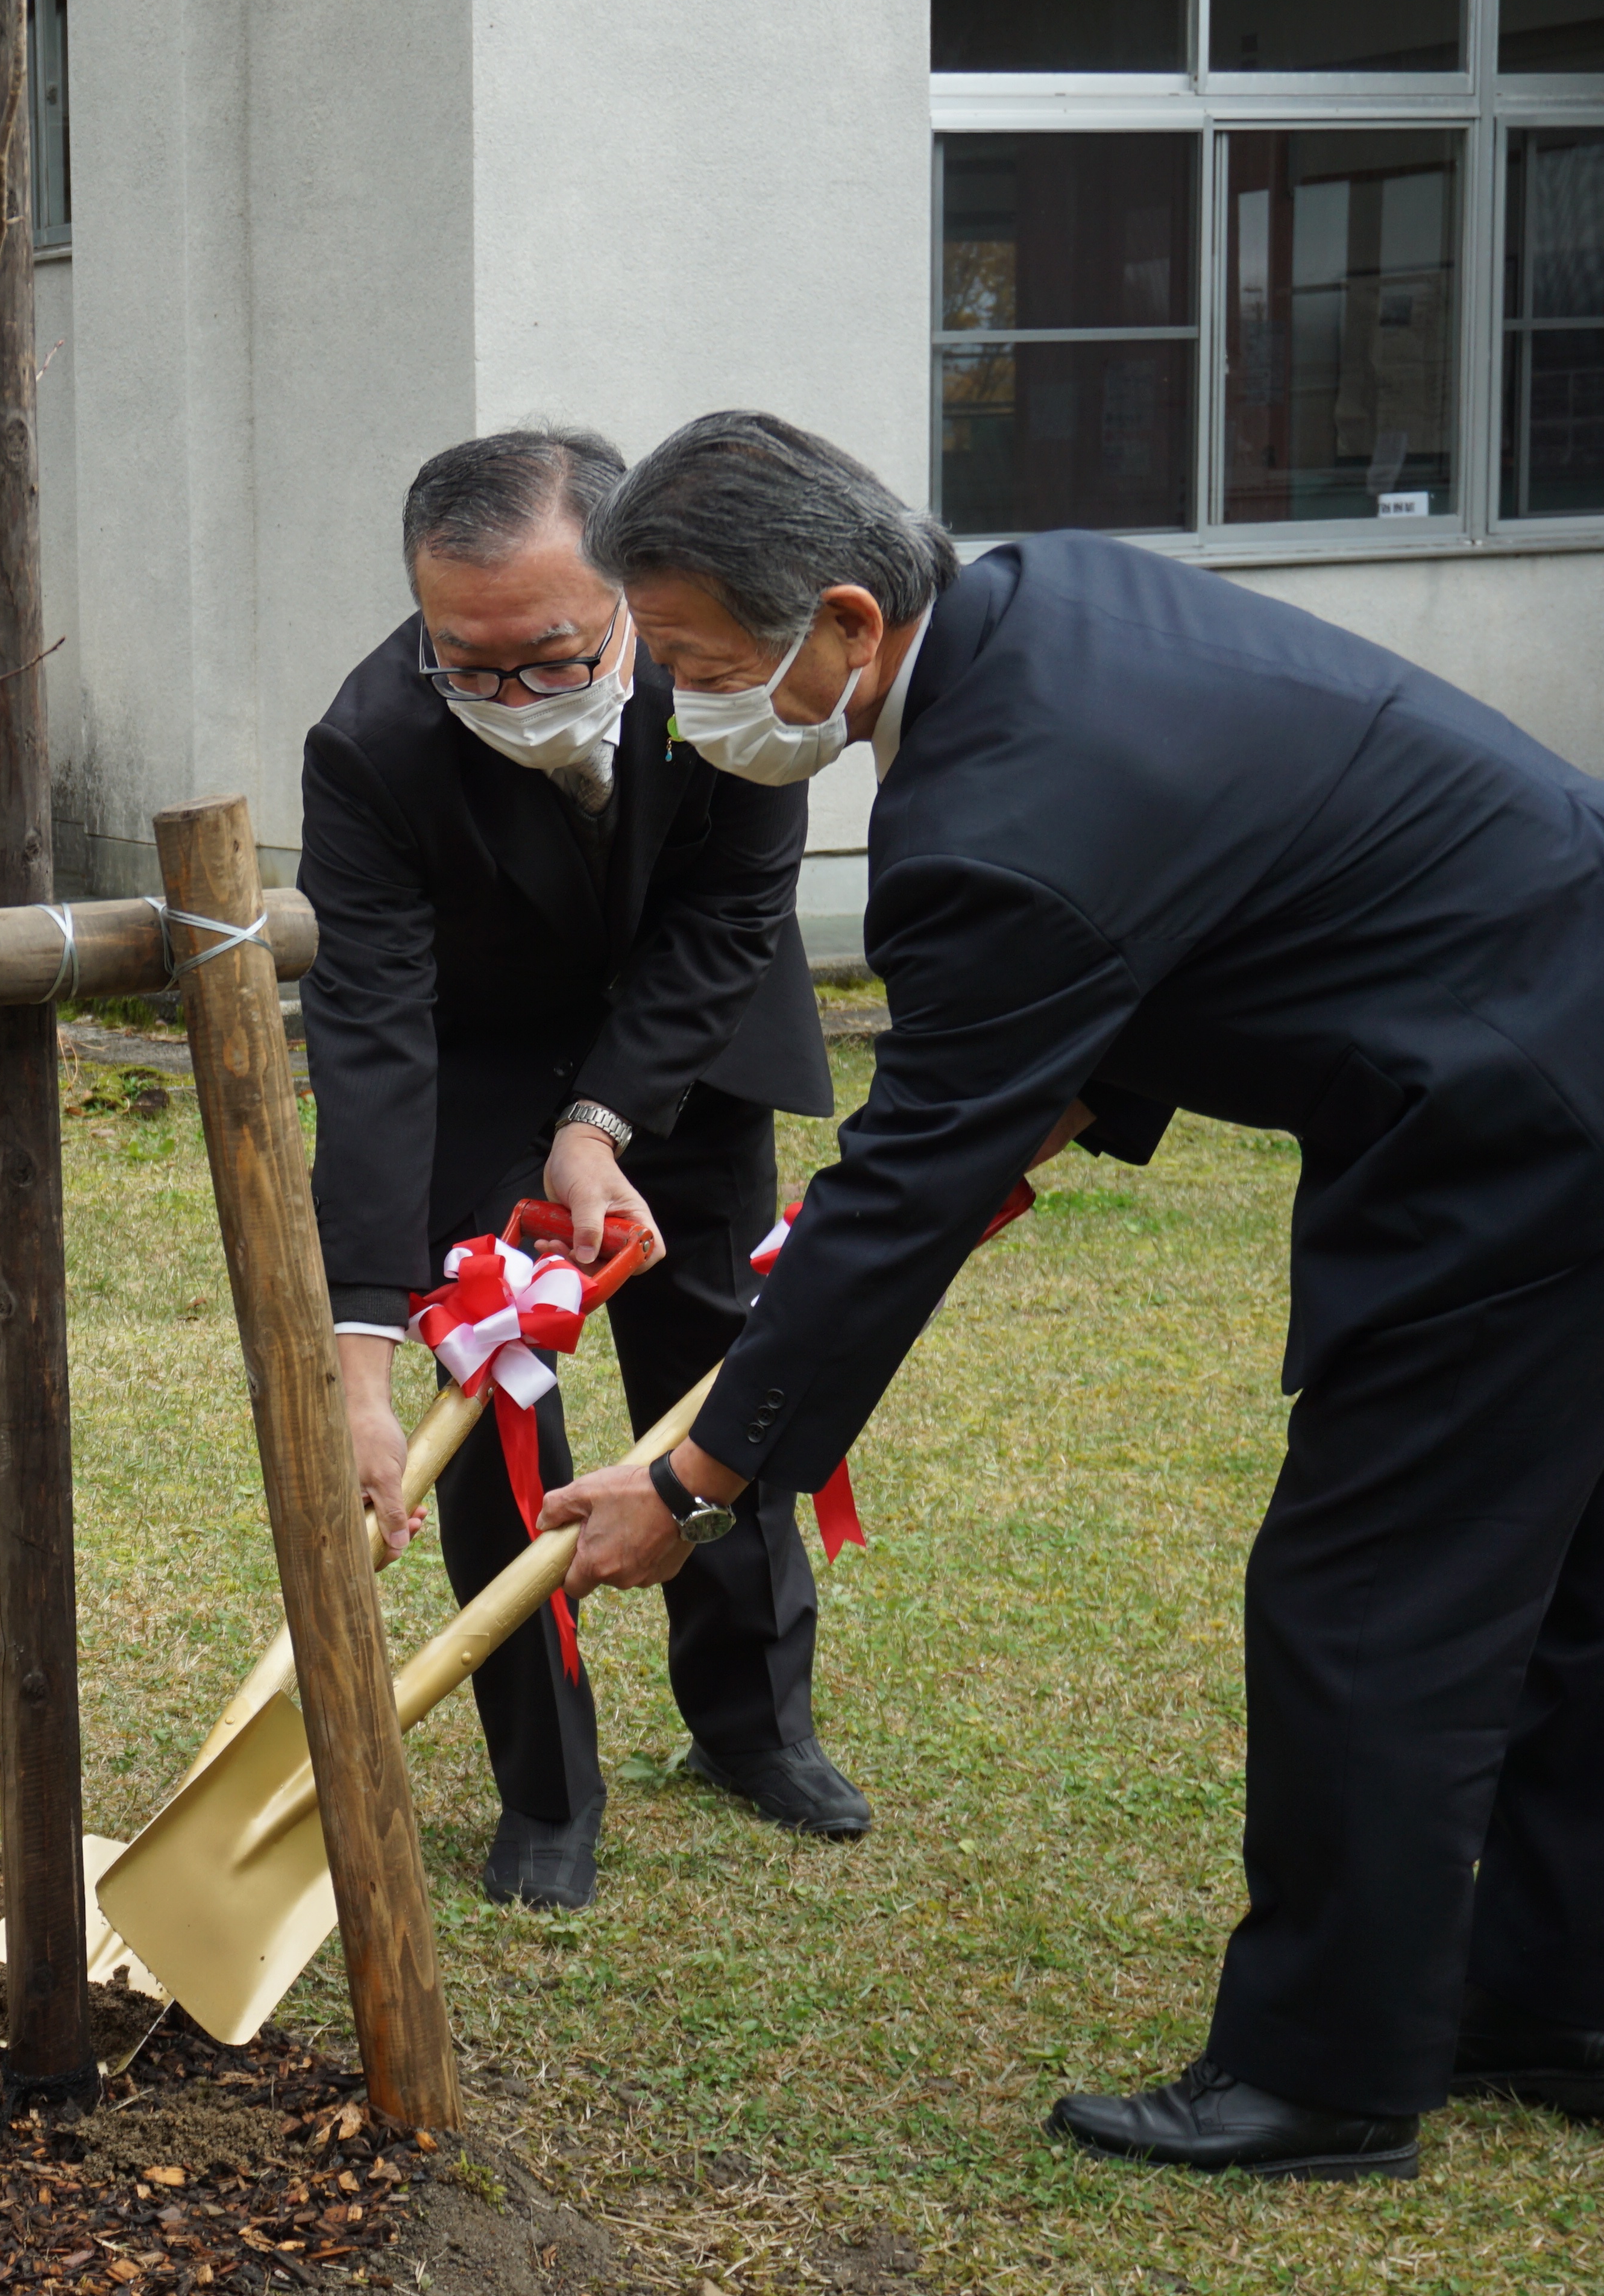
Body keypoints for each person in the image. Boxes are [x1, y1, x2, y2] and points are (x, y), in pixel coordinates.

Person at [548, 408, 1604, 2178]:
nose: (681, 708)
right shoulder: (1051, 598)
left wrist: (693, 1482)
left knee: (1369, 1599)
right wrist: (993, 1146)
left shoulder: (986, 819)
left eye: (704, 666)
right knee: (1558, 1582)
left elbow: (901, 1177)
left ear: (843, 623)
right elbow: (1153, 941)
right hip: (1545, 1027)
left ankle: (1322, 2077)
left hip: (1518, 1121)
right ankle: (1555, 1999)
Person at [302, 429, 846, 1913]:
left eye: (549, 658)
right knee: (500, 1435)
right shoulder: (374, 744)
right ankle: (546, 1790)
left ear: (625, 596)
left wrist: (607, 1113)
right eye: (465, 663)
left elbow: (736, 910)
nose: (509, 698)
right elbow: (367, 1025)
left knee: (725, 1387)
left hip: (690, 1052)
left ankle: (754, 1723)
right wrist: (359, 1340)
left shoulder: (711, 670)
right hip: (482, 1081)